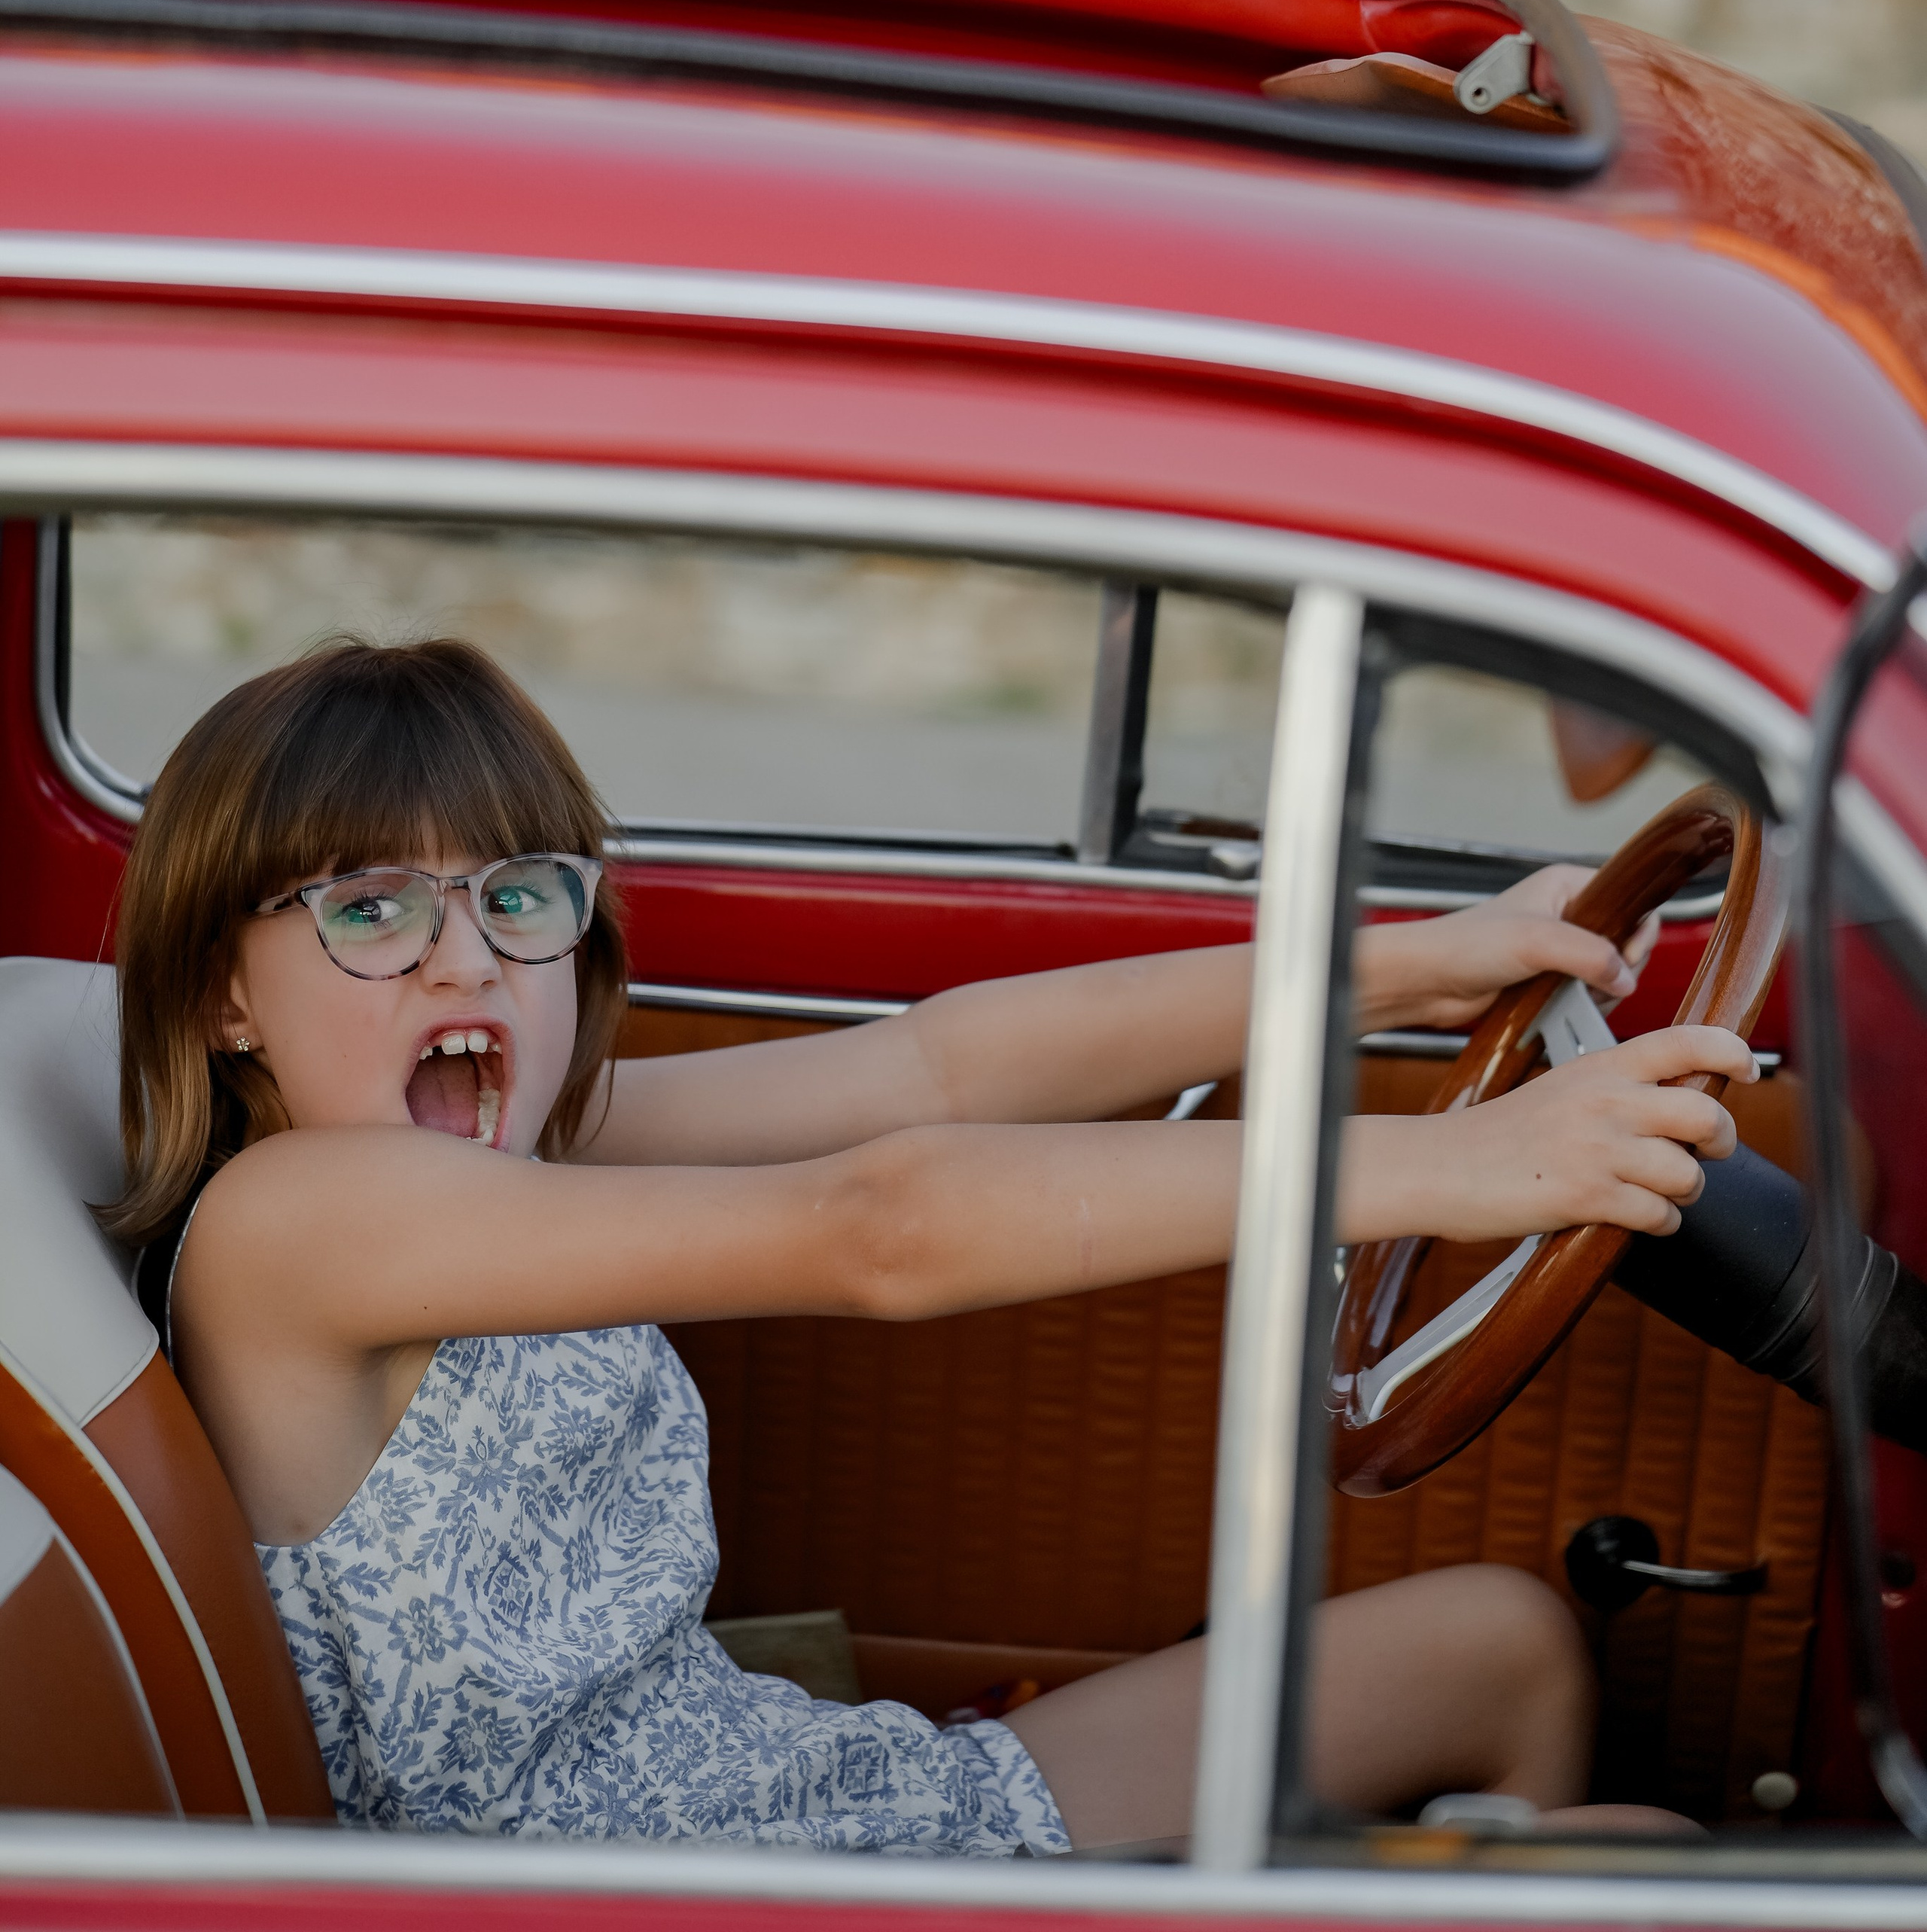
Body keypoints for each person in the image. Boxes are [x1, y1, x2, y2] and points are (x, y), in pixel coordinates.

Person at [108, 636, 1746, 1851]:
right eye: (369, 913)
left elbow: (935, 1068)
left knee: (1500, 1645)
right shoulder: (299, 1219)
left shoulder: (528, 1151)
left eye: (519, 900)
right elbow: (875, 1227)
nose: (464, 962)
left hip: (788, 1800)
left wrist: (1404, 969)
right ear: (220, 994)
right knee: (1656, 1870)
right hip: (644, 1891)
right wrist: (1440, 1166)